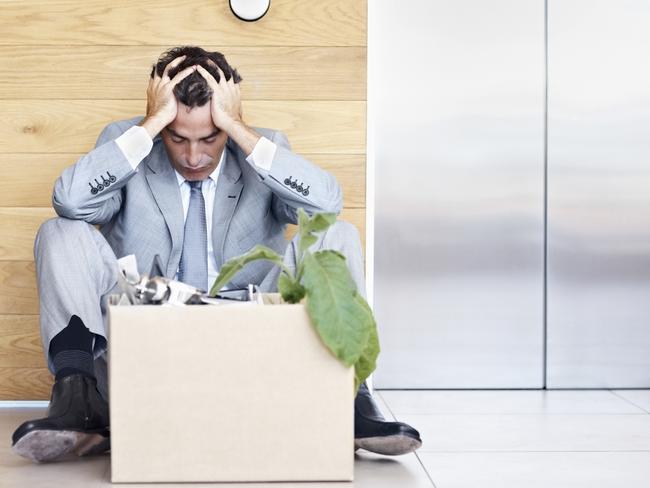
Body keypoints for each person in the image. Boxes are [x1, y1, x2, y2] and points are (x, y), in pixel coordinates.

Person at [10, 46, 422, 463]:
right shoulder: (129, 144)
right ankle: (79, 401)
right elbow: (70, 202)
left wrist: (240, 131)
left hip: (249, 337)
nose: (194, 157)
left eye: (210, 137)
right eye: (177, 138)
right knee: (59, 232)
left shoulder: (263, 148)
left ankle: (349, 400)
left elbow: (325, 207)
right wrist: (149, 126)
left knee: (336, 234)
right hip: (146, 339)